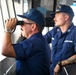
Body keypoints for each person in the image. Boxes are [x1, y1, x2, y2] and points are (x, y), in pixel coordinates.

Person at [1, 9, 51, 75]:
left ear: (33, 26)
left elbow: (5, 50)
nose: (21, 26)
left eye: (23, 23)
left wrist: (8, 30)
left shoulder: (33, 43)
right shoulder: (40, 40)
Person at [44, 4, 76, 75]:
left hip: (67, 72)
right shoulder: (54, 31)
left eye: (57, 16)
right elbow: (40, 41)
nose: (54, 19)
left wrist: (61, 64)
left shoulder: (74, 33)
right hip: (53, 71)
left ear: (66, 17)